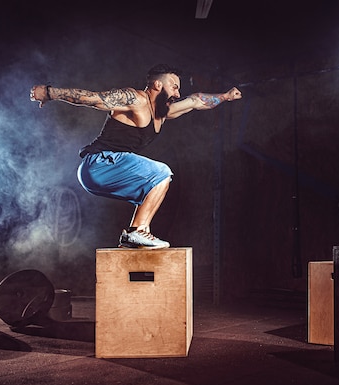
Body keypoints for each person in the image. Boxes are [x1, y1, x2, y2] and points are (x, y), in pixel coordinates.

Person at [30, 64, 242, 249]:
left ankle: (138, 234)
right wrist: (50, 92)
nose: (177, 94)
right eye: (174, 87)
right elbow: (93, 99)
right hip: (98, 163)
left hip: (105, 170)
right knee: (161, 173)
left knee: (153, 186)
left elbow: (196, 101)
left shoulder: (162, 113)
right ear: (158, 85)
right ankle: (136, 231)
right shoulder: (136, 99)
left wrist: (225, 96)